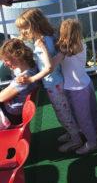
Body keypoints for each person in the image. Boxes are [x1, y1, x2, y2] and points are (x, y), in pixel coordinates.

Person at [15, 8, 81, 152]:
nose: (24, 32)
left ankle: (76, 139)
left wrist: (31, 79)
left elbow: (48, 68)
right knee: (64, 110)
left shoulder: (42, 43)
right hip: (57, 82)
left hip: (54, 83)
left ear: (35, 25)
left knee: (63, 113)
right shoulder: (48, 37)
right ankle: (72, 133)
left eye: (25, 28)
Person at [54, 19, 97, 154]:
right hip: (85, 83)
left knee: (82, 118)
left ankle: (92, 142)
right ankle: (94, 130)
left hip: (76, 89)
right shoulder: (81, 44)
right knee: (91, 112)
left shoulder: (65, 50)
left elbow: (53, 65)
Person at [0, 39, 38, 127]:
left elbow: (1, 98)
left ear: (16, 57)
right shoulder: (33, 67)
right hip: (19, 111)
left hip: (12, 114)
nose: (5, 64)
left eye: (6, 60)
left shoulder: (23, 79)